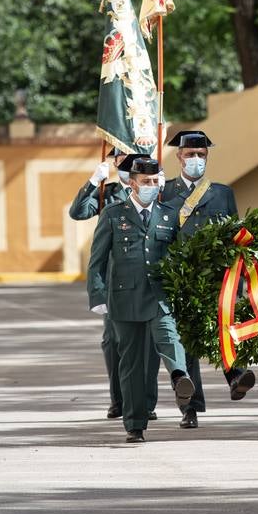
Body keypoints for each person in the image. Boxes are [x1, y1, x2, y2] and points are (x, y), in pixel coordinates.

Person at [86, 156, 195, 442]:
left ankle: (179, 376)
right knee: (131, 364)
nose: (151, 186)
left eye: (155, 181)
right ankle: (135, 425)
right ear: (132, 184)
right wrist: (97, 295)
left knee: (169, 336)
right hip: (124, 299)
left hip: (159, 295)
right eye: (145, 182)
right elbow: (96, 260)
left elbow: (181, 257)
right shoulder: (113, 214)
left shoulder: (169, 215)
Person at [161, 129, 255, 429]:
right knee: (187, 343)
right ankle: (190, 407)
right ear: (179, 157)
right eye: (190, 155)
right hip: (181, 278)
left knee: (221, 330)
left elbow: (236, 237)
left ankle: (235, 376)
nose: (196, 160)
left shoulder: (222, 193)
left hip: (217, 277)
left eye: (201, 155)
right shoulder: (165, 192)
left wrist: (241, 277)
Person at [69, 149, 160, 421]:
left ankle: (146, 401)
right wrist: (92, 183)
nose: (124, 163)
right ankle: (119, 400)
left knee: (151, 344)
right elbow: (78, 212)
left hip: (148, 280)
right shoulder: (106, 193)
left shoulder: (153, 189)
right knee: (113, 342)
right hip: (116, 281)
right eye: (119, 159)